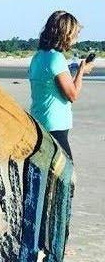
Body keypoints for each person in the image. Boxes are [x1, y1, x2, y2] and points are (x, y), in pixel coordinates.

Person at [29, 10, 94, 160]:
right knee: (66, 177)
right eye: (75, 34)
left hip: (39, 123)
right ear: (65, 33)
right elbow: (73, 95)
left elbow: (53, 86)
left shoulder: (38, 57)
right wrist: (81, 71)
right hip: (55, 126)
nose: (76, 39)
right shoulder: (56, 58)